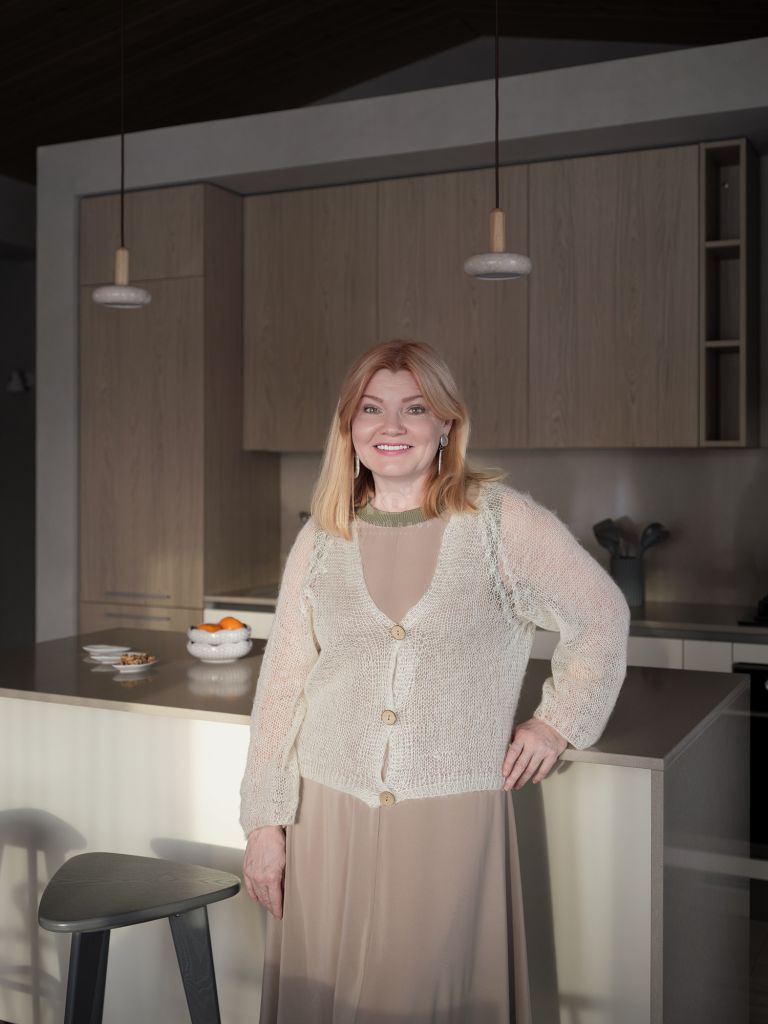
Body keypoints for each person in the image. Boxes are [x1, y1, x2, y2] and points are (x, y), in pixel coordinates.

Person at [240, 338, 631, 1023]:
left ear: (446, 423)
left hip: (448, 819)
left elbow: (602, 614)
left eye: (415, 408)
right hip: (323, 813)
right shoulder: (323, 536)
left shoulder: (500, 522)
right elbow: (282, 684)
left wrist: (556, 722)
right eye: (371, 408)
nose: (391, 426)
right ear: (348, 425)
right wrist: (264, 823)